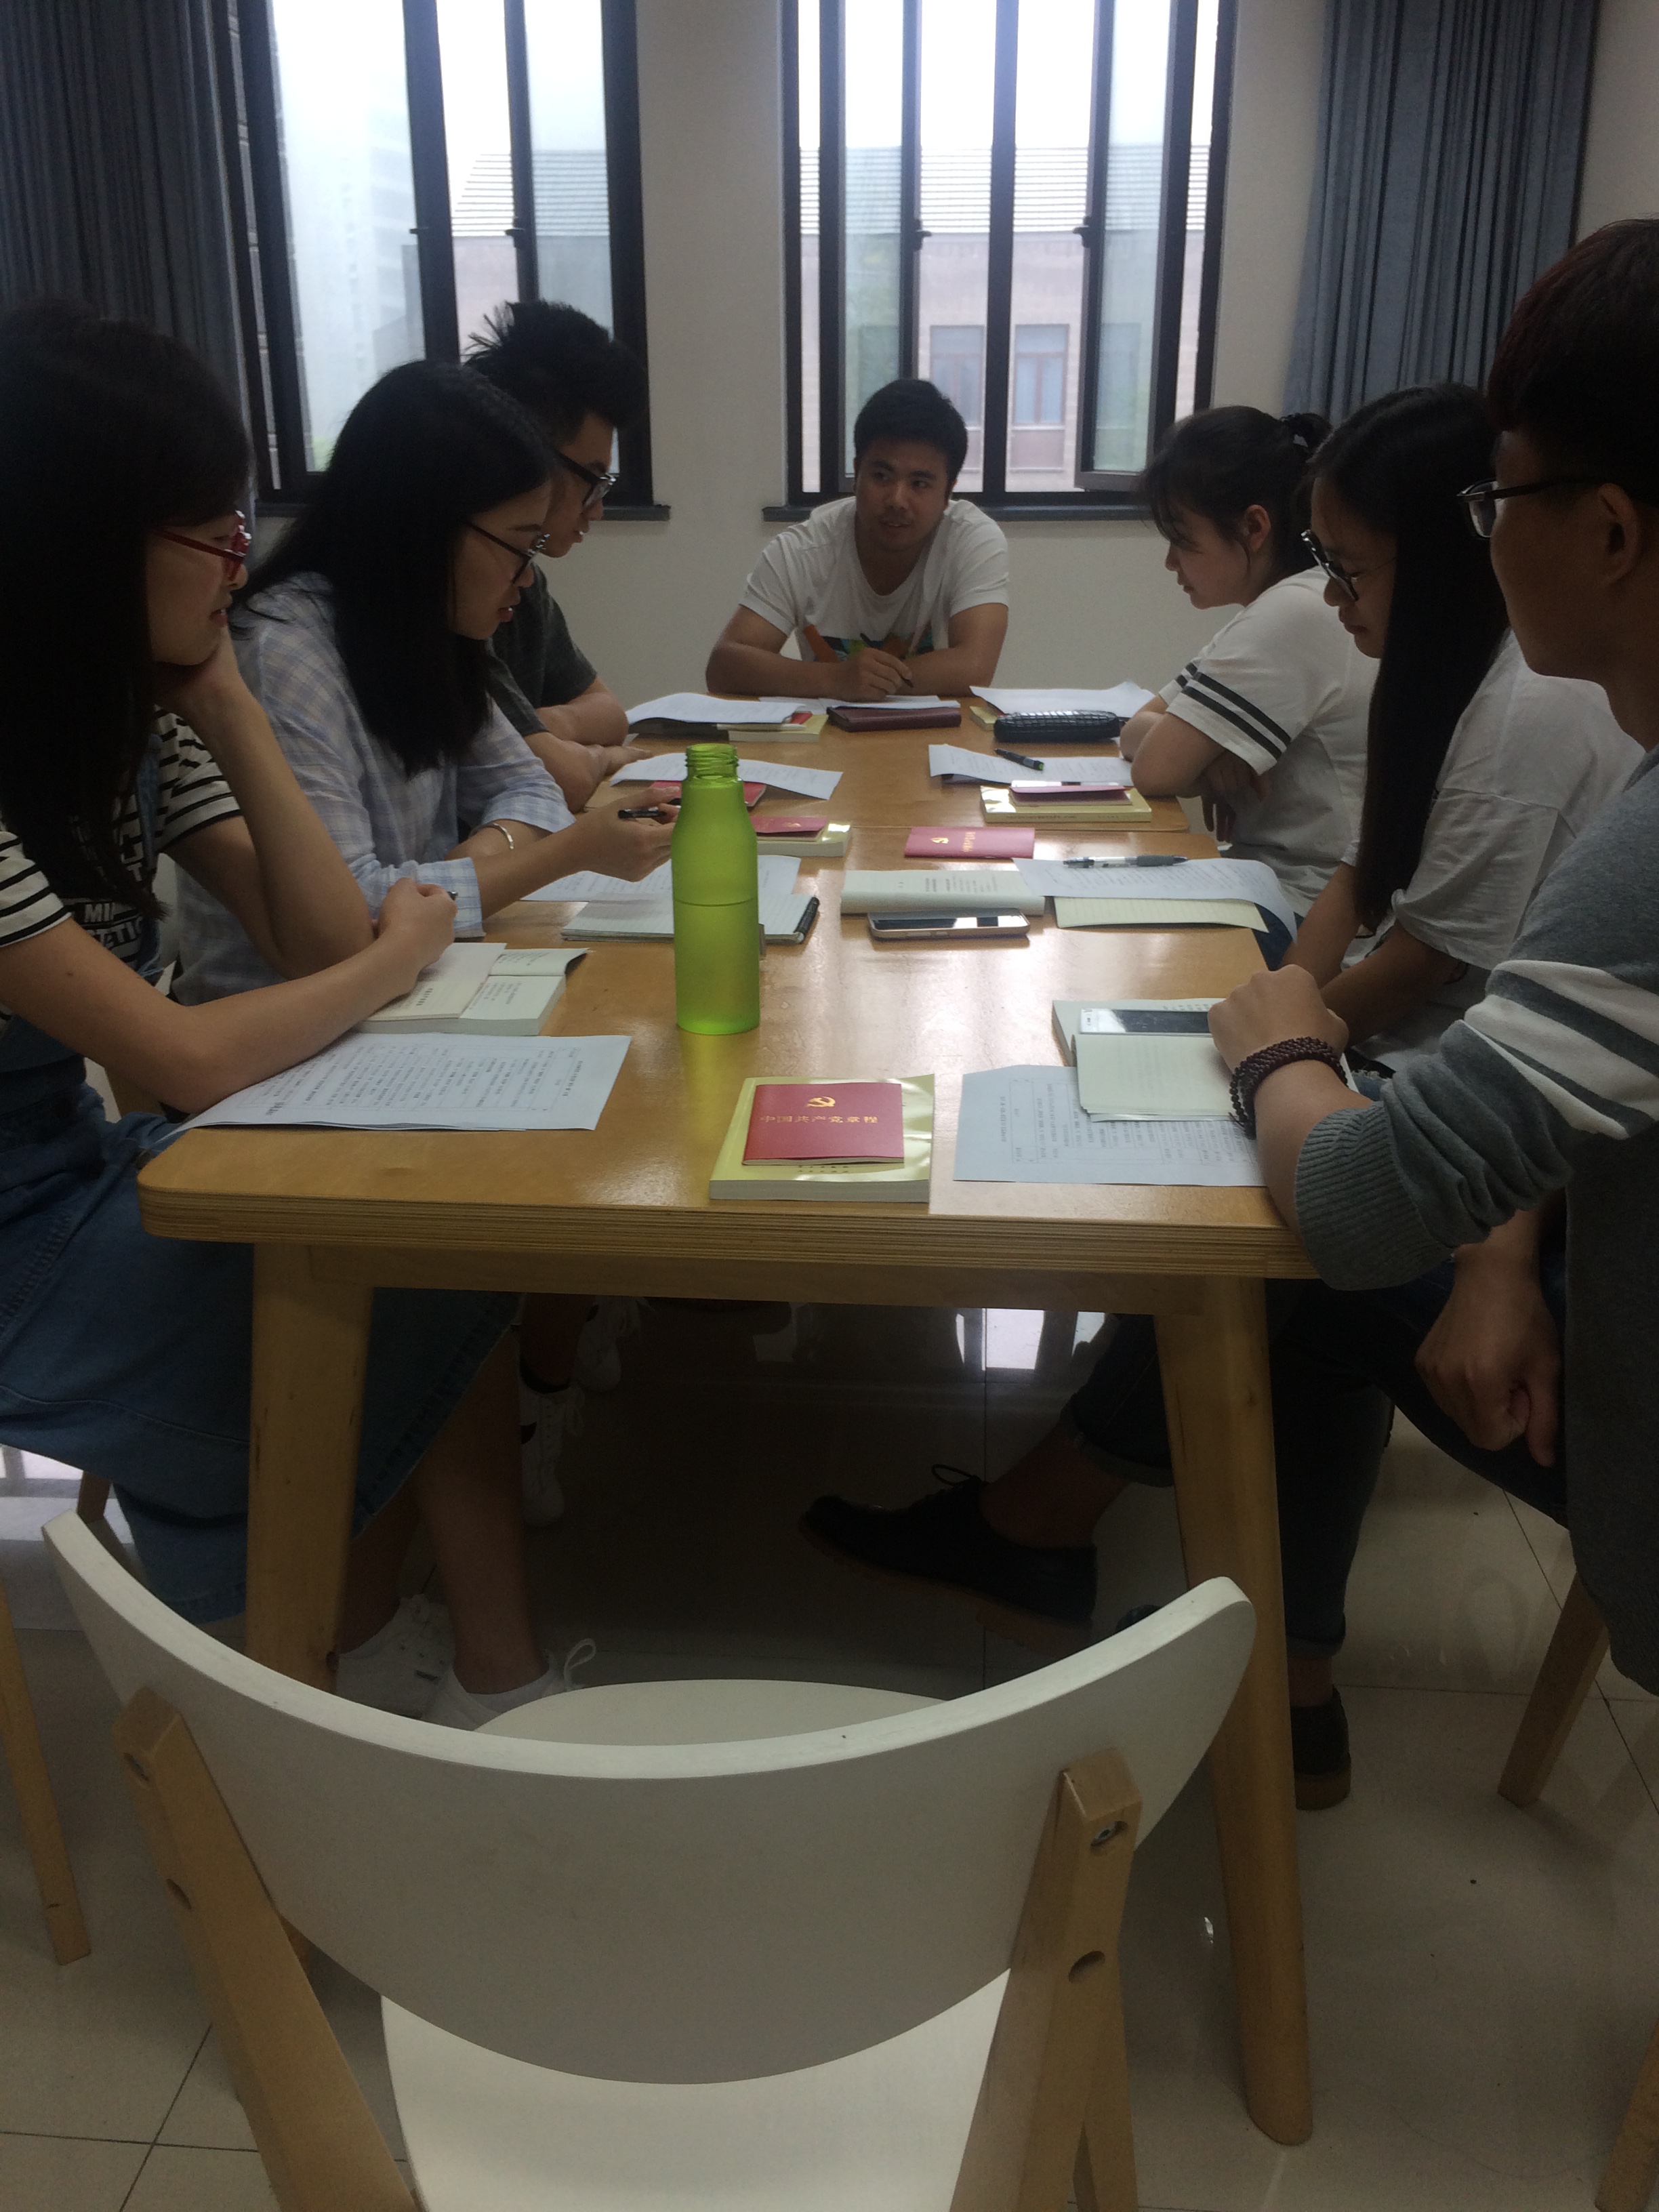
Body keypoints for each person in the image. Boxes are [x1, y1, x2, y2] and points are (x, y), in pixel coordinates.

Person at [806, 220, 1659, 1805]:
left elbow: (1360, 1187)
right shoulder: (1546, 728)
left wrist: (1280, 1047)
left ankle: (1048, 1534)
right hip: (1555, 1225)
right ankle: (1280, 1673)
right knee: (1296, 1233)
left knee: (1284, 1240)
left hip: (1606, 1386)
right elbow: (1571, 1053)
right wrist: (1495, 1245)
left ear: (1605, 530)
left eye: (1502, 503)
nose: (1482, 542)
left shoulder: (1566, 752)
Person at [0, 302, 562, 1729]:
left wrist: (227, 705)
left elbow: (313, 929)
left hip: (81, 1169)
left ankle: (391, 1668)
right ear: (79, 543)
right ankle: (316, 1690)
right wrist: (397, 954)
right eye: (212, 536)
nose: (238, 567)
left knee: (427, 1255)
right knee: (373, 1301)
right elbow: (185, 1052)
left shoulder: (130, 717)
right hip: (16, 1243)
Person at [173, 360, 673, 1525]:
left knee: (631, 1083)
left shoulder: (429, 629)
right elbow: (350, 919)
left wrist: (452, 879)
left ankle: (534, 1375)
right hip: (288, 1051)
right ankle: (498, 1414)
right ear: (424, 523)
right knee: (580, 1138)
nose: (525, 578)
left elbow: (523, 795)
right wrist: (534, 860)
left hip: (411, 1001)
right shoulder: (285, 648)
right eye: (516, 544)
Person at [1286, 384, 1635, 1066]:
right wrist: (1278, 997)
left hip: (1436, 1059)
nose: (1329, 594)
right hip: (1387, 1031)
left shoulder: (1534, 707)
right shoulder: (1451, 675)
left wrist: (1275, 1042)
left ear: (1440, 560)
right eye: (1322, 560)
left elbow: (1417, 967)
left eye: (1346, 568)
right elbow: (1361, 869)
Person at [1122, 405, 1372, 925]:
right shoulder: (1276, 607)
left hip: (1305, 904)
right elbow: (1138, 727)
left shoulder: (1293, 612)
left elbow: (1153, 769)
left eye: (1182, 539)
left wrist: (1196, 755)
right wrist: (1213, 761)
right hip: (1273, 884)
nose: (1171, 562)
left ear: (1254, 526)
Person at [706, 378, 1009, 701]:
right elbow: (725, 666)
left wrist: (871, 683)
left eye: (919, 484)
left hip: (937, 731)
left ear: (948, 492)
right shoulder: (802, 551)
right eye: (881, 476)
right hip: (826, 731)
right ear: (856, 474)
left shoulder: (970, 540)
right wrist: (835, 680)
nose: (897, 500)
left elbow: (975, 666)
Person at [466, 298, 649, 810]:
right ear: (525, 452)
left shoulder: (523, 579)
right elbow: (562, 777)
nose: (598, 510)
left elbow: (610, 714)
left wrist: (542, 724)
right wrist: (603, 759)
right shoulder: (462, 588)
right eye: (593, 480)